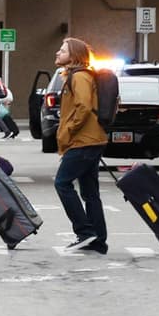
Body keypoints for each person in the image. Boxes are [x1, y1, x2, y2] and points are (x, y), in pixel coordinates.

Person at [54, 37, 109, 255]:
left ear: (74, 55)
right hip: (91, 140)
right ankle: (98, 240)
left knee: (62, 183)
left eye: (62, 50)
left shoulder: (80, 77)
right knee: (89, 192)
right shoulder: (76, 76)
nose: (57, 53)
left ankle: (85, 232)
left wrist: (69, 131)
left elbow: (84, 107)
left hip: (84, 141)